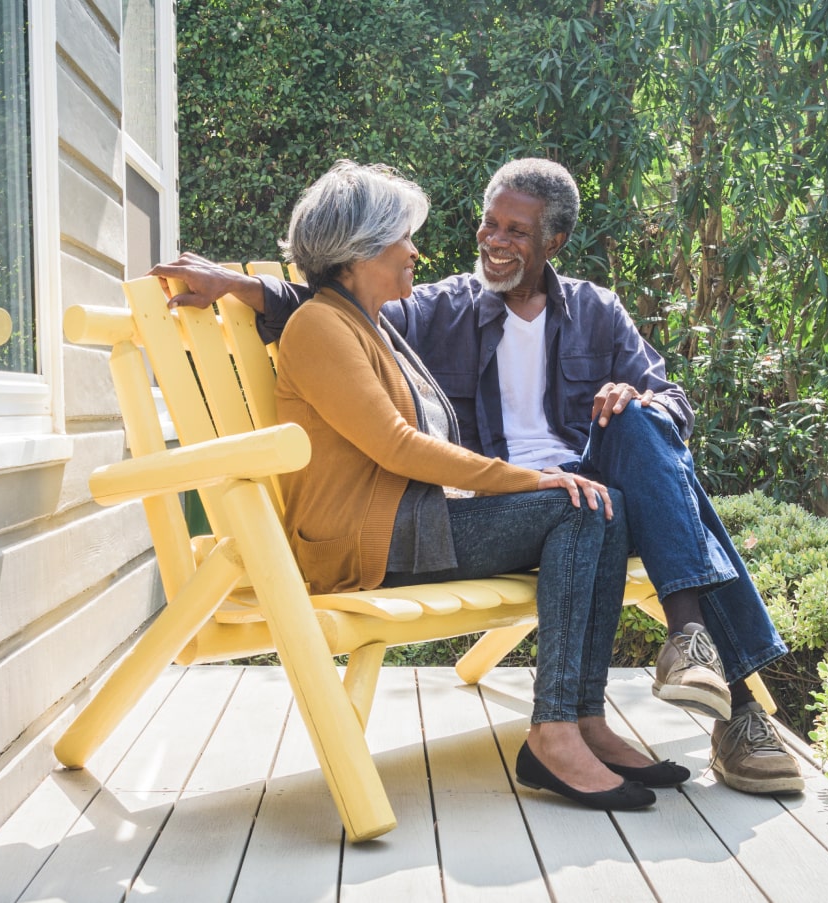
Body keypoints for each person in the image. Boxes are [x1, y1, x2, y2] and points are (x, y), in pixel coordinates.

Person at [154, 158, 805, 795]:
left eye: (516, 231)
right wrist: (240, 285)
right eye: (487, 224)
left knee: (641, 428)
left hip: (554, 485)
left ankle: (631, 683)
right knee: (598, 500)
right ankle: (705, 703)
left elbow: (672, 403)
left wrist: (637, 403)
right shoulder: (430, 311)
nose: (491, 240)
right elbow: (336, 315)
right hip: (466, 506)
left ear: (556, 240)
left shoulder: (596, 313)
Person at [266, 160, 689, 811]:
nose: (417, 250)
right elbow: (397, 447)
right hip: (364, 546)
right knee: (575, 506)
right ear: (357, 253)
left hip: (408, 526)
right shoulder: (323, 326)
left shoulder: (371, 324)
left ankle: (581, 717)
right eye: (402, 238)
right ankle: (553, 731)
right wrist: (528, 480)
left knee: (602, 503)